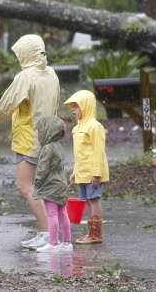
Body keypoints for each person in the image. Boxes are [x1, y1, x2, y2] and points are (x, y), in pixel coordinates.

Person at [0, 34, 59, 249]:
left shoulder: (25, 77)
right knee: (38, 187)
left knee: (25, 187)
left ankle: (48, 235)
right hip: (46, 137)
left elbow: (6, 106)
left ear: (26, 53)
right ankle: (49, 234)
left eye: (20, 52)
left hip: (30, 139)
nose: (18, 57)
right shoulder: (51, 73)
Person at [65, 90, 109, 244]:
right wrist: (75, 172)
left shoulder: (95, 127)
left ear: (86, 106)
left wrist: (97, 173)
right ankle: (91, 233)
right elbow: (79, 154)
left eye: (76, 106)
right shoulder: (77, 128)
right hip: (82, 173)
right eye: (72, 106)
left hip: (92, 173)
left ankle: (96, 234)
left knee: (94, 200)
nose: (73, 109)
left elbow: (98, 151)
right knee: (87, 201)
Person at [33, 115, 73, 253]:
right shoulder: (59, 146)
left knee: (51, 214)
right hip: (61, 183)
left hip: (50, 185)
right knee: (62, 212)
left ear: (47, 131)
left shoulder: (47, 148)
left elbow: (43, 168)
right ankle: (67, 243)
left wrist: (37, 182)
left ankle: (53, 243)